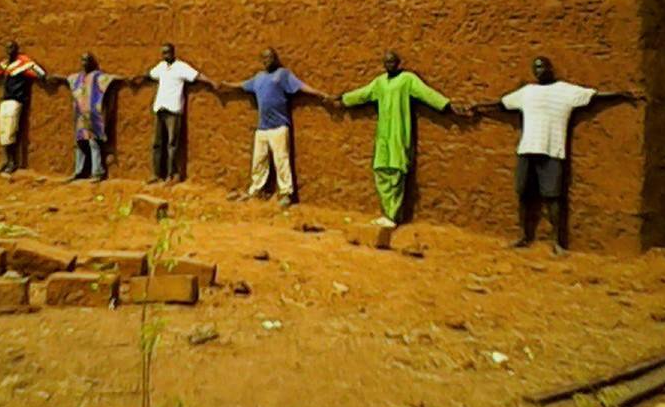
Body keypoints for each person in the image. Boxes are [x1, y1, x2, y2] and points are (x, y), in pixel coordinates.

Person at [473, 56, 638, 254]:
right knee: (524, 194)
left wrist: (620, 95)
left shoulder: (566, 91)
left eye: (542, 66)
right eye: (535, 68)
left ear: (551, 68)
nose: (539, 70)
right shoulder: (527, 92)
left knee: (553, 197)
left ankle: (558, 242)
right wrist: (480, 107)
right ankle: (524, 236)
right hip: (527, 148)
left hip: (552, 150)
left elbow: (594, 97)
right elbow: (502, 104)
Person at [338, 51, 466, 227]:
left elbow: (426, 93)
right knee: (380, 169)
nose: (389, 64)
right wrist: (343, 99)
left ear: (398, 63)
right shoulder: (380, 82)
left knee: (397, 172)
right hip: (383, 134)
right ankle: (387, 212)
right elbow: (363, 94)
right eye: (386, 62)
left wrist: (446, 105)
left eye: (392, 61)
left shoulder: (407, 79)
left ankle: (392, 216)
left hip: (399, 133)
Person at [222, 48, 331, 207]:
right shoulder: (258, 78)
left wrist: (320, 93)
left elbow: (300, 86)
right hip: (262, 128)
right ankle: (256, 190)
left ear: (275, 58)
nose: (267, 60)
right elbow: (243, 85)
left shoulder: (282, 75)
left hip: (279, 127)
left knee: (281, 161)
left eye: (270, 57)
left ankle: (286, 193)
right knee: (258, 161)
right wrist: (226, 85)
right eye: (264, 58)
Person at [138, 43, 216, 184]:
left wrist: (211, 82)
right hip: (160, 109)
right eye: (163, 53)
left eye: (167, 52)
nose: (165, 55)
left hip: (173, 110)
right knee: (157, 143)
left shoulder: (181, 67)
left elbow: (197, 76)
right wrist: (134, 79)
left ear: (173, 52)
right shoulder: (161, 67)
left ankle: (171, 175)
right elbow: (148, 75)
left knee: (172, 144)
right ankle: (156, 174)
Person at [49, 52, 127, 182]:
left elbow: (111, 79)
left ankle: (97, 171)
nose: (84, 63)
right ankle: (80, 171)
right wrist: (56, 78)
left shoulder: (97, 76)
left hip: (93, 116)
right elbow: (66, 79)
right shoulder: (77, 77)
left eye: (87, 60)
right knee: (80, 143)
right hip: (80, 115)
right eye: (83, 60)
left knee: (93, 142)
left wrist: (128, 79)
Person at [0, 41, 46, 174]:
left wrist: (45, 79)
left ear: (16, 49)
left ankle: (13, 162)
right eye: (7, 47)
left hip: (16, 100)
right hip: (5, 100)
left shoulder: (24, 63)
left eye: (11, 47)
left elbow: (39, 73)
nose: (9, 50)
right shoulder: (5, 64)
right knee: (3, 132)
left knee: (10, 131)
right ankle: (6, 160)